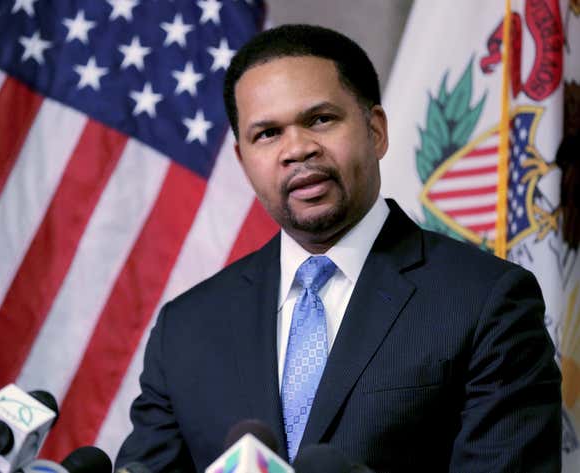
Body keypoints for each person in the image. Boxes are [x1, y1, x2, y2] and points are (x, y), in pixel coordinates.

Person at [115, 24, 561, 472]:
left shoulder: (487, 301)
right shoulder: (186, 328)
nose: (297, 149)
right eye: (267, 134)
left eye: (320, 119)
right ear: (243, 161)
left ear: (377, 130)